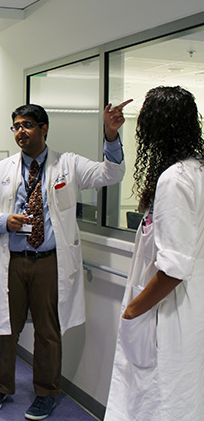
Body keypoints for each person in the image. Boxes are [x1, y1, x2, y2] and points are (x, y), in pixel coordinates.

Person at [0, 101, 130, 420]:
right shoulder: (2, 170)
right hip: (13, 259)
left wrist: (111, 135)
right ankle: (0, 386)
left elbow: (111, 173)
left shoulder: (68, 165)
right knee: (6, 328)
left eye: (27, 125)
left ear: (44, 129)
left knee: (49, 330)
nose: (21, 131)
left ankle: (46, 392)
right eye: (16, 126)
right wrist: (5, 220)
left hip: (49, 261)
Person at [104, 86, 204, 420]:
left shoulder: (174, 180)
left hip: (167, 314)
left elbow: (173, 268)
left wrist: (133, 310)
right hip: (189, 310)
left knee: (158, 400)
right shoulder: (196, 171)